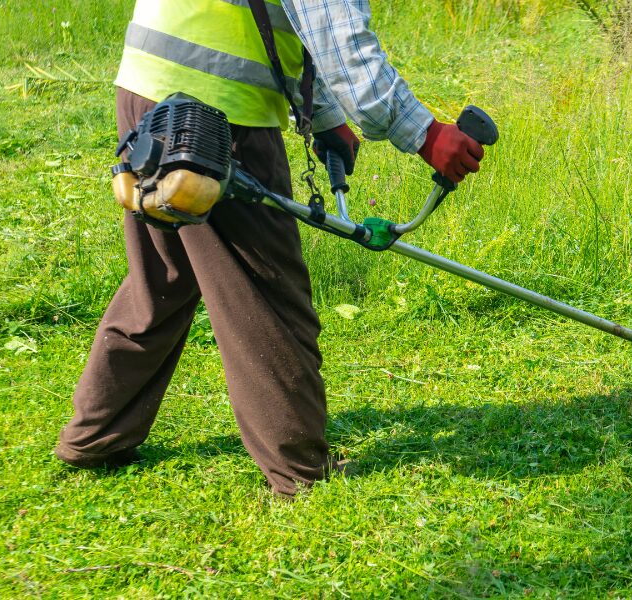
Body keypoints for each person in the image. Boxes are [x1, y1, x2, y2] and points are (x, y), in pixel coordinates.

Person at [54, 0, 485, 499]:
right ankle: (299, 469)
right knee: (266, 291)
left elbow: (294, 22)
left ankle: (96, 434)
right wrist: (426, 134)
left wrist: (321, 117)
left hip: (146, 90)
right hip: (217, 114)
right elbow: (339, 39)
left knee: (164, 276)